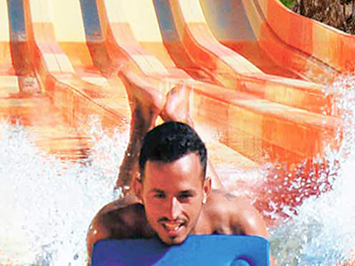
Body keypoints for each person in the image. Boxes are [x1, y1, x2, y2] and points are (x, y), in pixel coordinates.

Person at [85, 69, 267, 255]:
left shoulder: (241, 224)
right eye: (159, 196)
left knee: (215, 200)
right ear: (138, 191)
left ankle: (159, 116)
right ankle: (144, 119)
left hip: (217, 213)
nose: (172, 213)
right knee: (123, 199)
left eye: (184, 196)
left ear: (206, 191)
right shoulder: (113, 227)